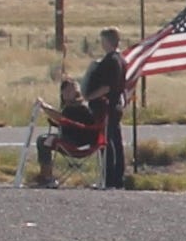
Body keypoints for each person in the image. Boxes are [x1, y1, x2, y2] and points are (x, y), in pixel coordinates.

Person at [38, 30, 127, 188]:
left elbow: (107, 86)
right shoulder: (121, 60)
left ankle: (110, 180)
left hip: (105, 108)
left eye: (102, 41)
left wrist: (90, 96)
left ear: (108, 41)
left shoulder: (110, 61)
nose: (101, 44)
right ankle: (116, 179)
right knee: (115, 142)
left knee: (109, 142)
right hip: (114, 106)